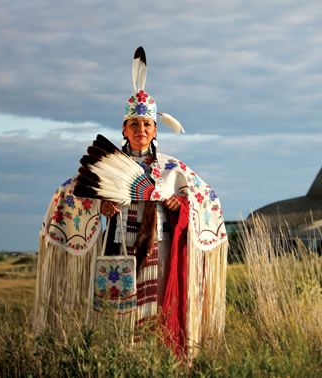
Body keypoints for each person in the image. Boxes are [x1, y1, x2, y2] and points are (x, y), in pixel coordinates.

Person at [34, 46, 228, 358]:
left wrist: (182, 205)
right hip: (119, 248)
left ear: (155, 130)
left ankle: (158, 360)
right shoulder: (110, 165)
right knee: (120, 312)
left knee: (159, 306)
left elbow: (208, 199)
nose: (140, 130)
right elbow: (69, 195)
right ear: (124, 129)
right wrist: (100, 208)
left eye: (146, 125)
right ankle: (122, 362)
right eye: (134, 124)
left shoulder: (172, 169)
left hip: (159, 249)